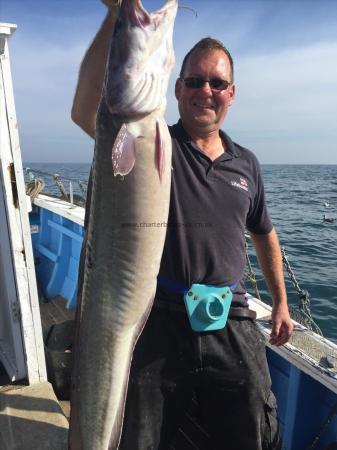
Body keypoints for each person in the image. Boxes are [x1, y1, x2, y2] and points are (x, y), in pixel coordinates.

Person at [71, 2, 294, 449]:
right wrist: (115, 20)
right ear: (177, 88)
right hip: (162, 318)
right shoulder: (154, 142)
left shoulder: (246, 164)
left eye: (216, 83)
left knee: (253, 426)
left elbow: (264, 231)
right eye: (194, 81)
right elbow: (85, 110)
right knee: (140, 436)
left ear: (231, 93)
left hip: (231, 318)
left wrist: (282, 303)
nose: (204, 91)